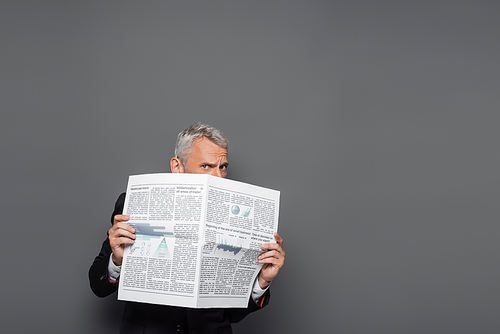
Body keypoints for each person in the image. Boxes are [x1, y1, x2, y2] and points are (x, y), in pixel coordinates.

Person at [89, 123, 285, 334]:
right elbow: (98, 286)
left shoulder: (240, 218)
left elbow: (234, 314)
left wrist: (262, 282)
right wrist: (116, 261)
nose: (218, 177)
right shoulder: (134, 204)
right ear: (177, 167)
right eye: (206, 166)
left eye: (223, 166)